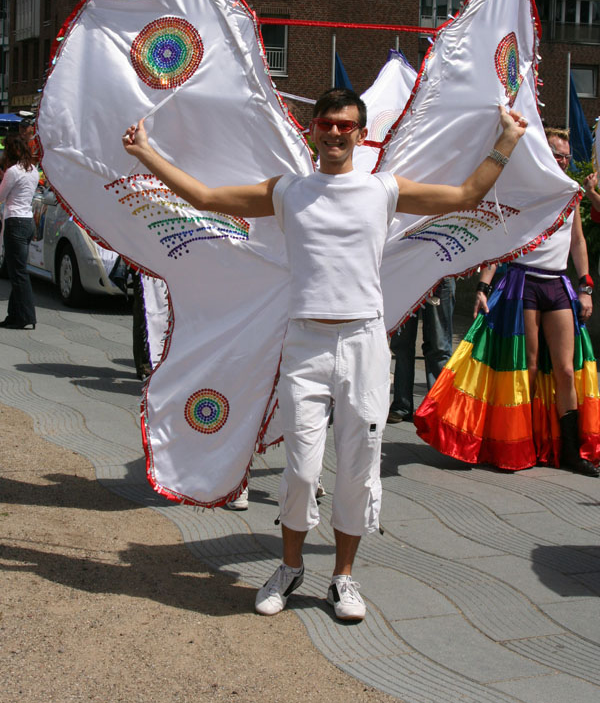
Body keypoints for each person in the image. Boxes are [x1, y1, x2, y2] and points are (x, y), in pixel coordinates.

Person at [122, 88, 526, 622]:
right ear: (313, 128)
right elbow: (205, 196)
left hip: (363, 343)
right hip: (305, 344)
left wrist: (506, 141)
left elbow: (464, 196)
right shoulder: (289, 190)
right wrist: (146, 153)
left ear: (360, 134)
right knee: (301, 470)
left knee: (359, 467)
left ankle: (344, 579)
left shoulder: (383, 188)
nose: (335, 133)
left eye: (345, 125)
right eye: (327, 123)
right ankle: (289, 569)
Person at [415, 127, 600, 478]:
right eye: (551, 153)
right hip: (522, 281)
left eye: (563, 154)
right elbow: (500, 244)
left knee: (565, 369)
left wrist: (585, 285)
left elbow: (578, 242)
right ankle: (520, 442)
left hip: (557, 283)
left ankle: (572, 451)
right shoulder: (521, 193)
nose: (558, 159)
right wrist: (483, 287)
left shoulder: (572, 193)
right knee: (525, 367)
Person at [388, 277, 456, 423]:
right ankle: (401, 405)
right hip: (408, 277)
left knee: (439, 347)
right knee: (402, 346)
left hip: (441, 277)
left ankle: (439, 408)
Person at [0, 134, 39, 329]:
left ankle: (26, 316)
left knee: (18, 272)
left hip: (14, 221)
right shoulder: (33, 170)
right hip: (27, 220)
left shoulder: (13, 171)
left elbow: (1, 195)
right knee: (17, 269)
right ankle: (14, 316)